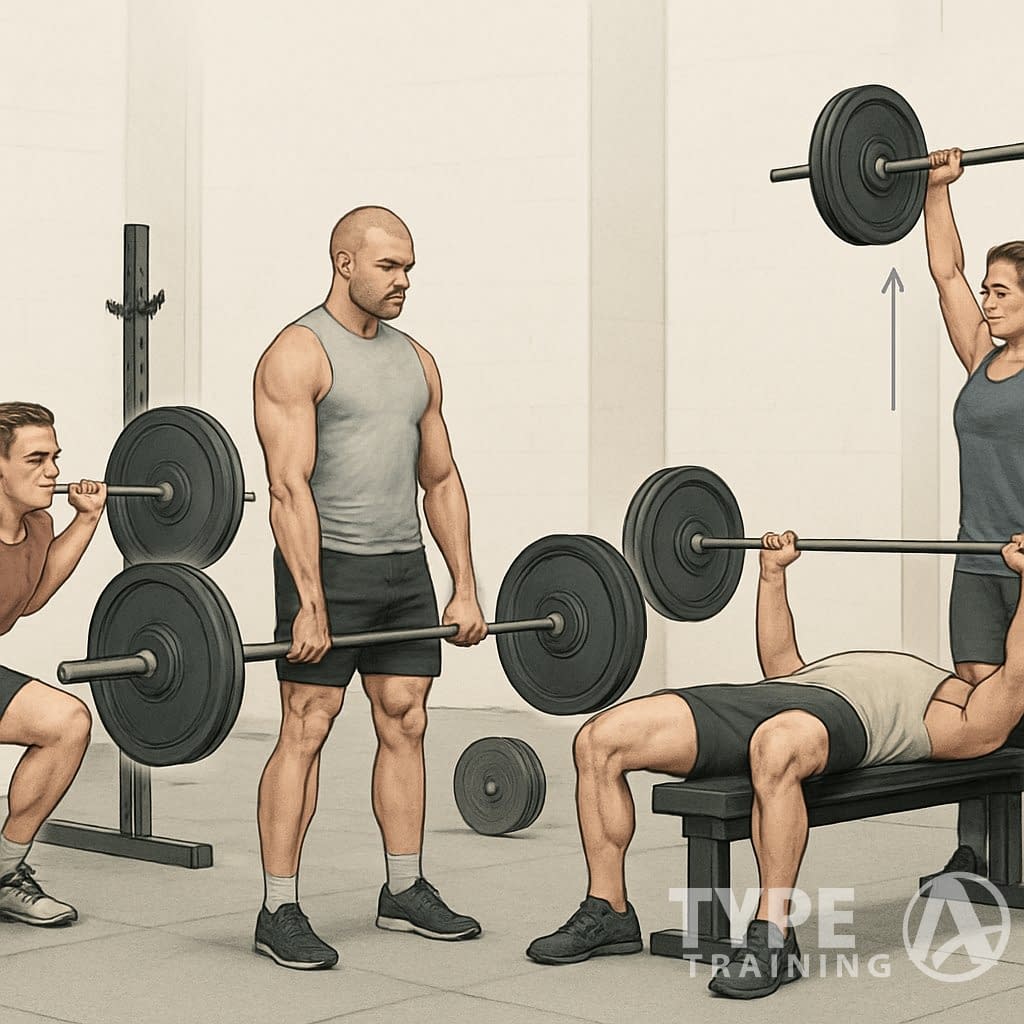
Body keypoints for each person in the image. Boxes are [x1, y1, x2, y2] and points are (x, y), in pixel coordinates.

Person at [527, 530, 1024, 999]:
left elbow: (1015, 677)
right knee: (599, 738)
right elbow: (783, 664)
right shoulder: (925, 682)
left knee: (775, 745)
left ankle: (772, 936)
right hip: (776, 694)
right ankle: (608, 909)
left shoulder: (971, 725)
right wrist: (772, 575)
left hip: (844, 721)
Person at [252, 206, 487, 970]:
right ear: (344, 262)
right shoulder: (297, 353)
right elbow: (288, 489)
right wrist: (310, 601)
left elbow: (441, 478)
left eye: (410, 268)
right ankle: (278, 907)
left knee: (406, 720)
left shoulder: (417, 361)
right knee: (308, 724)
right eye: (389, 267)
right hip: (329, 563)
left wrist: (464, 587)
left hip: (401, 566)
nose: (404, 282)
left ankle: (404, 889)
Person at [924, 149, 1024, 873]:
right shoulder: (978, 363)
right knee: (979, 713)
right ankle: (975, 855)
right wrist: (935, 190)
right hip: (976, 566)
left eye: (1002, 292)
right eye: (988, 291)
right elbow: (945, 273)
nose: (987, 302)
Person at [0, 402, 103, 926]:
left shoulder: (37, 524)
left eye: (55, 457)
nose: (55, 472)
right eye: (36, 460)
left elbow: (31, 596)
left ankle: (4, 872)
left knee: (67, 723)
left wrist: (87, 520)